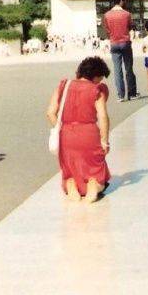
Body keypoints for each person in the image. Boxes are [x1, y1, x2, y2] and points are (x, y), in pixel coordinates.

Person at [46, 56, 111, 203]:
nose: (100, 82)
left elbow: (50, 112)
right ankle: (93, 185)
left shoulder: (64, 85)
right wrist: (104, 141)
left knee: (70, 170)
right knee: (96, 170)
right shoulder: (96, 90)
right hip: (89, 134)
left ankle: (71, 185)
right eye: (100, 79)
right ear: (95, 76)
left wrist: (62, 128)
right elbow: (103, 117)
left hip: (66, 134)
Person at [103, 0, 140, 101]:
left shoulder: (107, 15)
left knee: (117, 69)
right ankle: (132, 93)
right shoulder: (127, 14)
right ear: (121, 1)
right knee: (128, 68)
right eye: (125, 1)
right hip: (125, 42)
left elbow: (107, 30)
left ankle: (120, 95)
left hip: (114, 43)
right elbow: (130, 26)